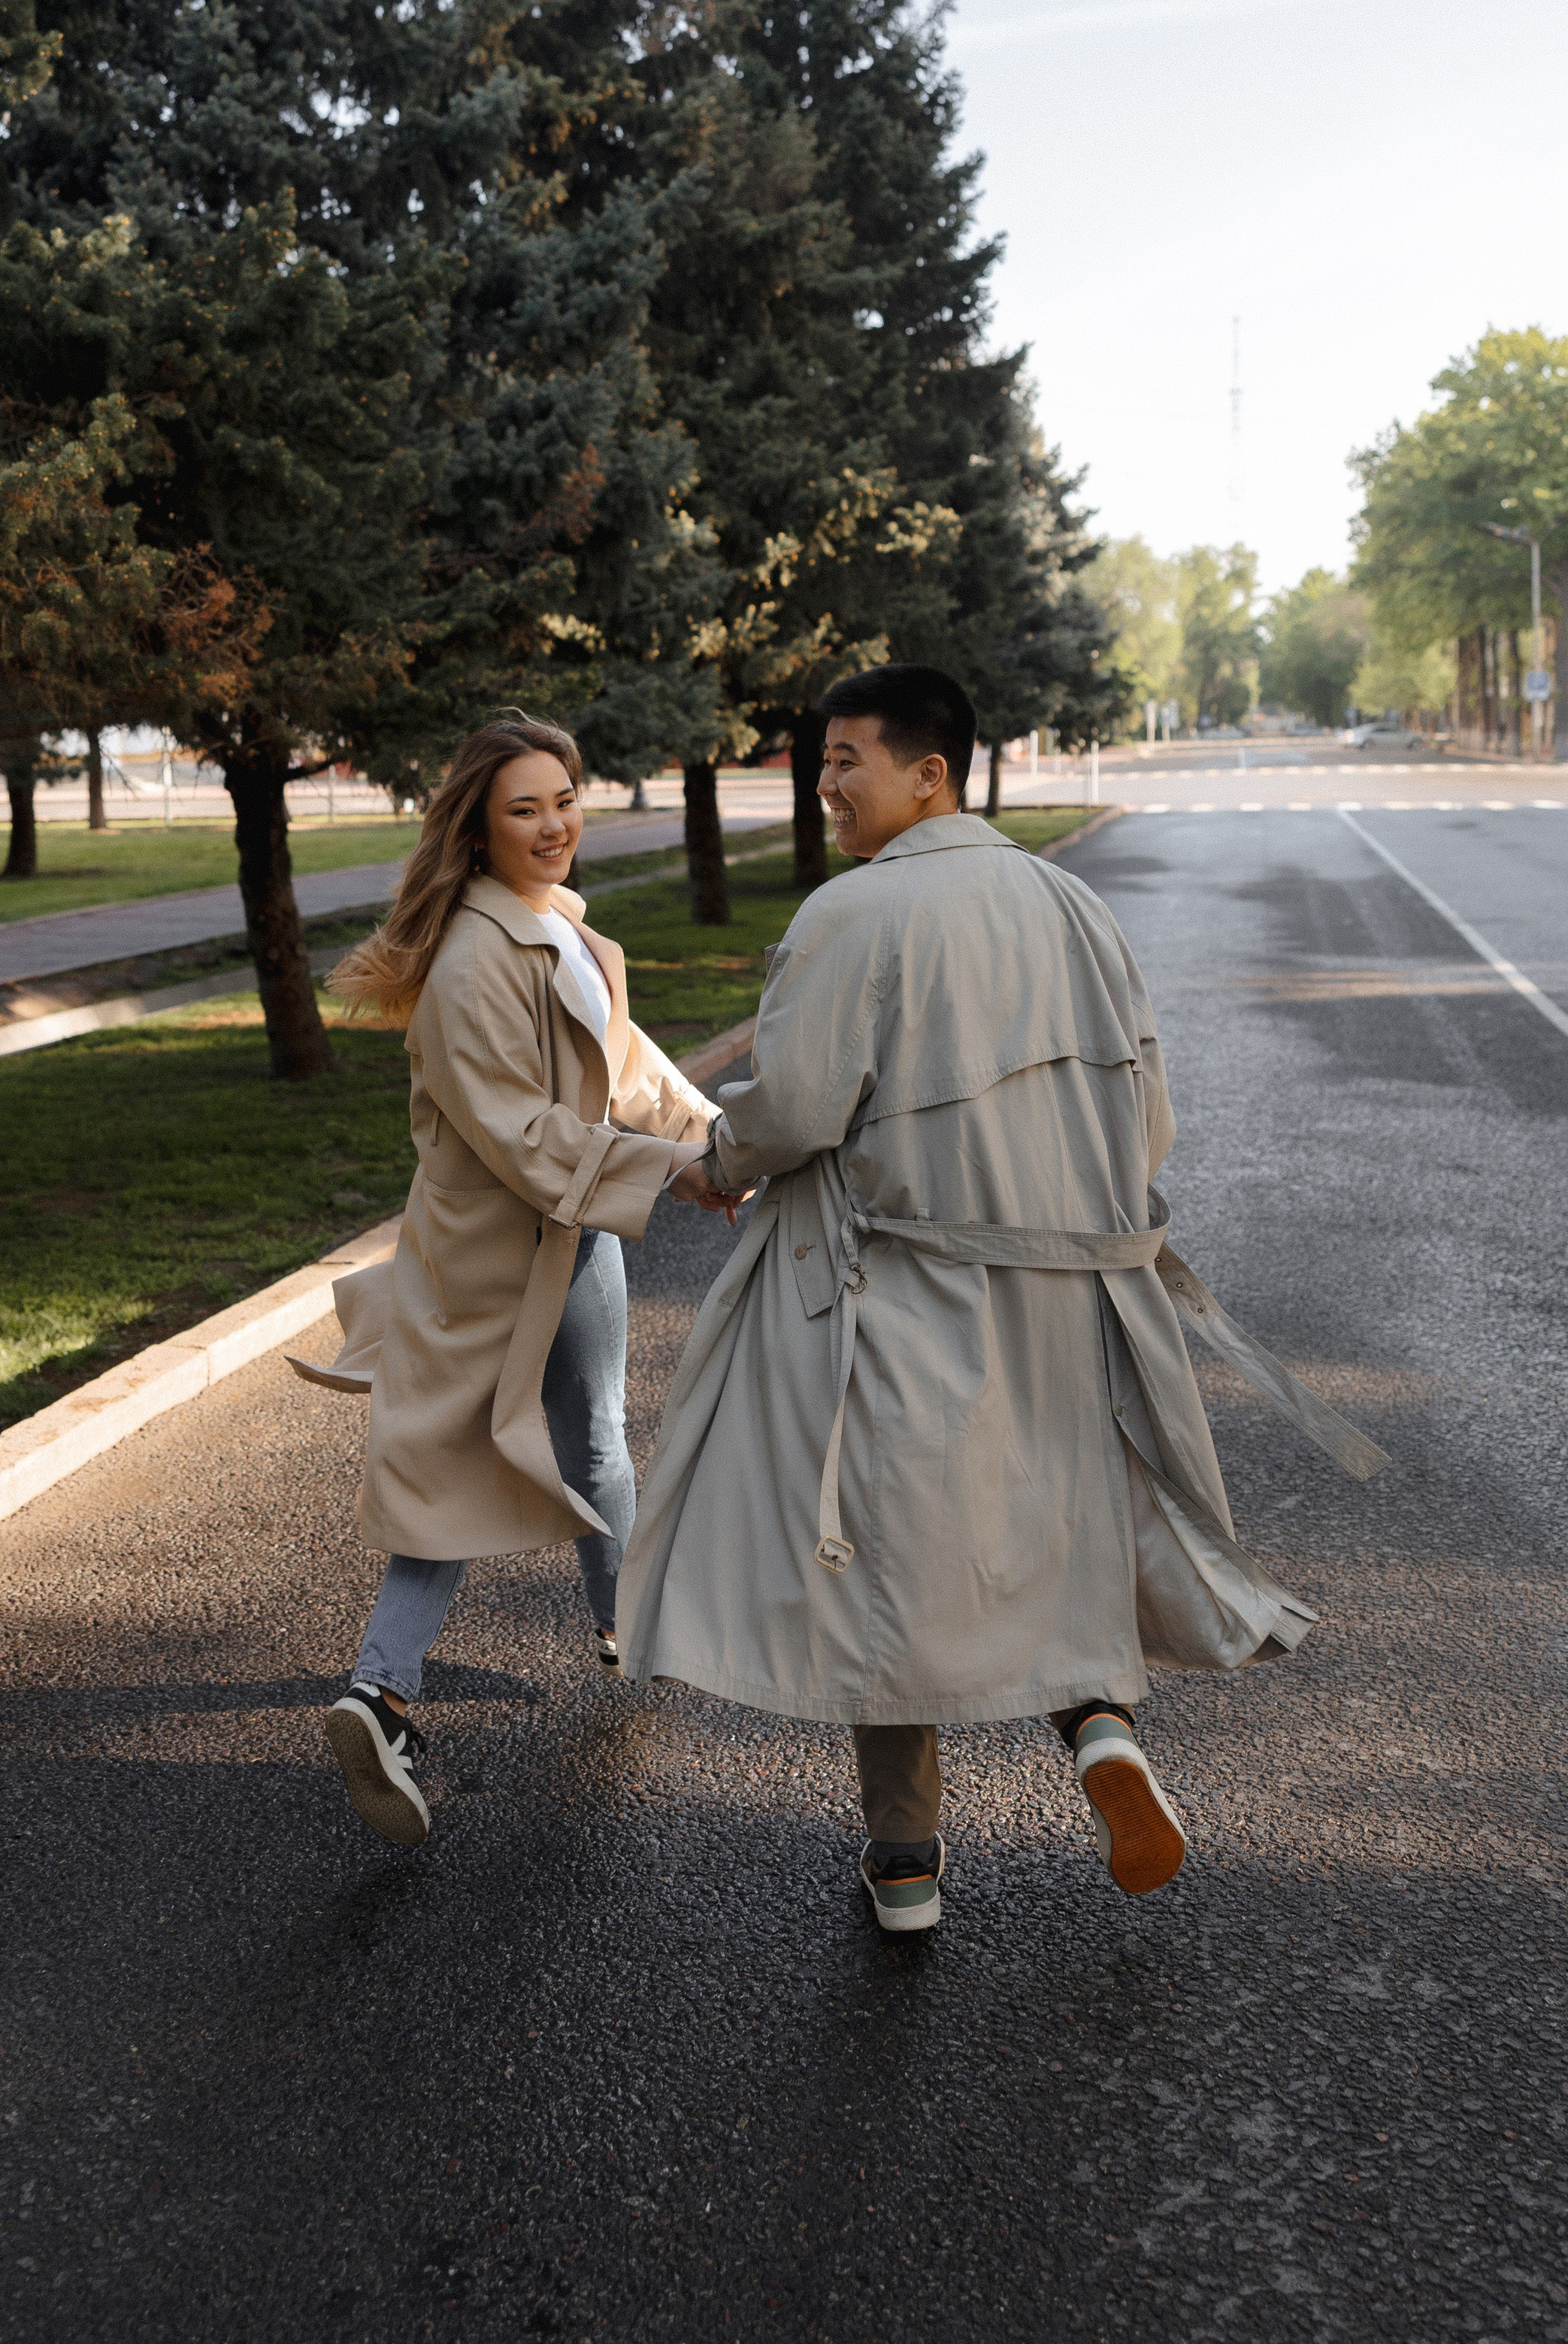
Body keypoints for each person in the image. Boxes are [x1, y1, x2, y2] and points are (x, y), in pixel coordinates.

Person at [620, 662, 1385, 1934]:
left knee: (885, 1565)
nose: (827, 784)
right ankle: (1097, 1731)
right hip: (1072, 1299)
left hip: (900, 1291)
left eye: (846, 760)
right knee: (1055, 1522)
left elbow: (798, 1108)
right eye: (822, 762)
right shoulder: (1074, 905)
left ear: (931, 774)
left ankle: (907, 1864)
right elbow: (1149, 1122)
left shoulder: (851, 916)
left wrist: (717, 1162)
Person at [292, 716, 733, 1849]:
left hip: (546, 1234)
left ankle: (385, 1692)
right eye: (525, 807)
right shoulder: (475, 962)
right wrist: (678, 1175)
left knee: (477, 1454)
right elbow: (522, 1130)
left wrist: (718, 1140)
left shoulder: (560, 935)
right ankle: (601, 1633)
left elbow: (626, 1069)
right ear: (477, 831)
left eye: (567, 799)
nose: (555, 825)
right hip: (518, 1246)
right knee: (573, 1442)